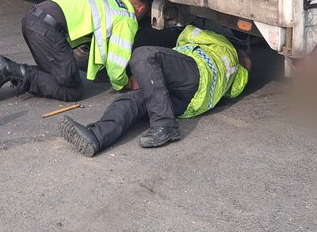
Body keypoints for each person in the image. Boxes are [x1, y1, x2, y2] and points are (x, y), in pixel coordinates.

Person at [59, 24, 250, 155]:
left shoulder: (224, 46)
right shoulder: (235, 80)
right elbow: (232, 92)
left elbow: (188, 33)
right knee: (137, 99)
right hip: (190, 103)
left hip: (195, 73)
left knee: (145, 55)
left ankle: (165, 125)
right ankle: (96, 136)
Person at [0, 0, 150, 103]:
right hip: (47, 29)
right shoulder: (126, 16)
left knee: (54, 74)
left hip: (33, 18)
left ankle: (2, 69)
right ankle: (8, 70)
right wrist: (125, 83)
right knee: (72, 90)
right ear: (141, 9)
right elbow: (116, 63)